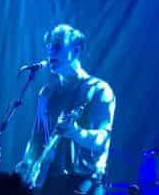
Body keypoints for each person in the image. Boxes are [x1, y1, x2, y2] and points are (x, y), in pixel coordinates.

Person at [15, 24, 116, 195]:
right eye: (48, 47)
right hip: (47, 181)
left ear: (76, 51)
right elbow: (37, 138)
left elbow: (102, 140)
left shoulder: (99, 90)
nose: (50, 51)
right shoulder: (47, 93)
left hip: (83, 183)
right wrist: (28, 161)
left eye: (57, 46)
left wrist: (76, 132)